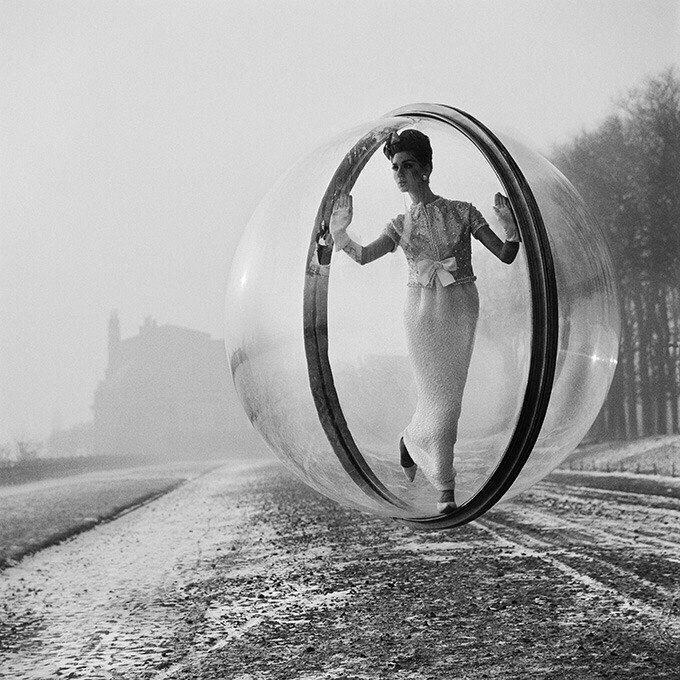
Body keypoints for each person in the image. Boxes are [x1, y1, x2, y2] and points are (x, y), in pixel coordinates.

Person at [329, 129, 520, 513]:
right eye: (395, 167)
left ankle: (411, 438)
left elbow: (506, 255)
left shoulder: (462, 211)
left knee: (450, 398)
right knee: (441, 400)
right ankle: (446, 491)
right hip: (420, 313)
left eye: (408, 166)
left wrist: (511, 226)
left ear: (427, 168)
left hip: (461, 306)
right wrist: (340, 233)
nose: (400, 174)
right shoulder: (399, 224)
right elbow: (364, 256)